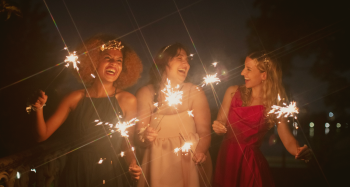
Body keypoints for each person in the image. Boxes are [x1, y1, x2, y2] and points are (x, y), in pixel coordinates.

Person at [29, 35, 143, 186]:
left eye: (119, 60)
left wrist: (132, 164)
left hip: (110, 174)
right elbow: (41, 136)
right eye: (108, 58)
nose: (113, 64)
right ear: (94, 61)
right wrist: (38, 109)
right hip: (77, 172)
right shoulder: (74, 98)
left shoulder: (128, 100)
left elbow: (126, 143)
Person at [212, 51, 312, 187]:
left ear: (263, 75)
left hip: (250, 165)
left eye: (248, 69)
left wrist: (301, 151)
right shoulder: (232, 92)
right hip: (227, 160)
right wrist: (217, 127)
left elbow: (288, 140)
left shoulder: (273, 105)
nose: (242, 73)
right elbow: (220, 125)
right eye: (244, 68)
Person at [136, 43, 212, 187]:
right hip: (157, 162)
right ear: (164, 62)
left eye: (187, 60)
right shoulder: (145, 93)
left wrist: (201, 151)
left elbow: (204, 131)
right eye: (179, 58)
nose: (186, 64)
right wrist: (145, 136)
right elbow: (139, 136)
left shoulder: (194, 91)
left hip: (188, 160)